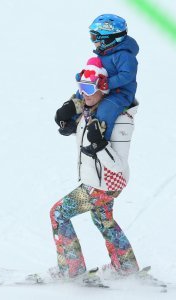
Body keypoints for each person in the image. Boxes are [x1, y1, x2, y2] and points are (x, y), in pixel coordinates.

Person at [51, 56, 139, 281]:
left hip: (104, 184)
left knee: (59, 213)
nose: (85, 94)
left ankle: (71, 270)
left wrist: (99, 145)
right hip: (95, 181)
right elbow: (85, 134)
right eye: (82, 88)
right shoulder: (90, 111)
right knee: (103, 220)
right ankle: (126, 269)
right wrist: (70, 126)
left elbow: (117, 165)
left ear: (103, 89)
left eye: (90, 88)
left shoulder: (121, 120)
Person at [74, 14, 139, 153]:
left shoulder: (124, 56)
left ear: (107, 39)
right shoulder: (105, 53)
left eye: (94, 37)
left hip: (120, 94)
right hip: (104, 88)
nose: (92, 41)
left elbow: (127, 75)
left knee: (106, 108)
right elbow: (97, 69)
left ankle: (99, 140)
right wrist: (85, 75)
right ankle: (71, 117)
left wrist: (107, 83)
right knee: (82, 93)